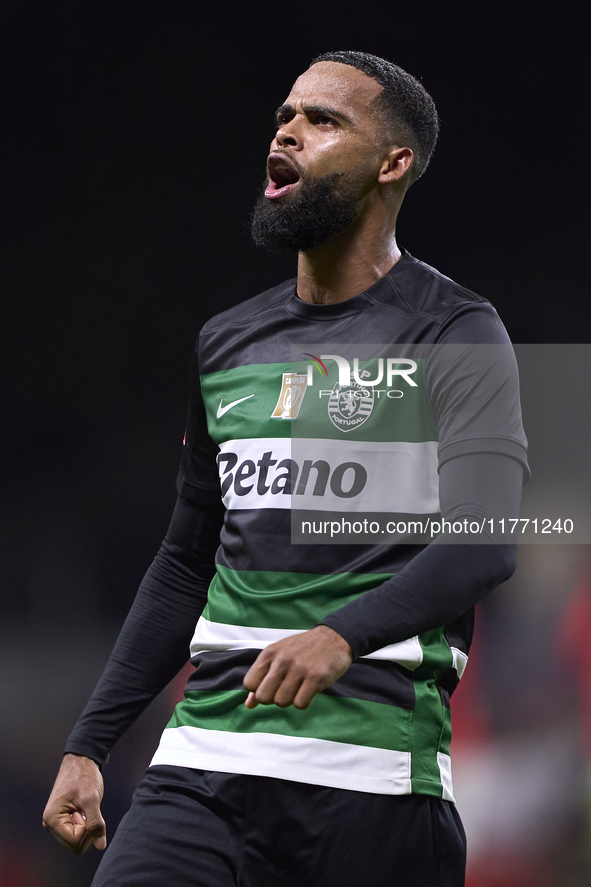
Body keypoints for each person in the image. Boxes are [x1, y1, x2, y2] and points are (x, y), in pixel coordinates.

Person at [42, 51, 529, 886]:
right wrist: (90, 741)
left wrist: (343, 633)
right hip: (200, 765)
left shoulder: (459, 331)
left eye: (322, 119)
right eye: (284, 115)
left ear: (392, 162)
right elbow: (186, 560)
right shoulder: (227, 340)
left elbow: (486, 541)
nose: (288, 130)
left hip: (371, 781)